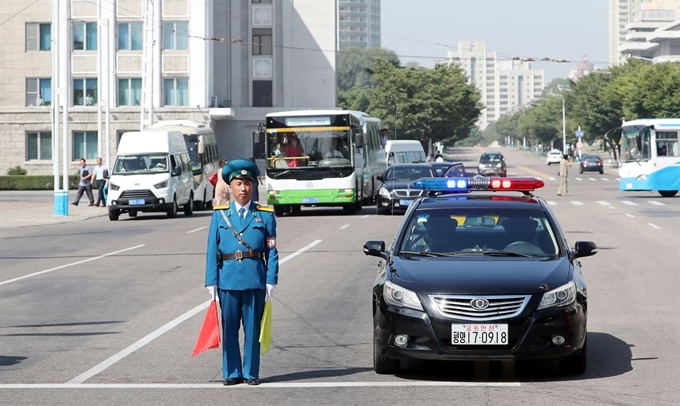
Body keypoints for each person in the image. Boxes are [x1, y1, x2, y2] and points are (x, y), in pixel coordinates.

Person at [205, 159, 279, 386]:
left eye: (247, 183)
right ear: (230, 187)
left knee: (253, 329)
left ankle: (250, 372)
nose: (244, 188)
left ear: (253, 186)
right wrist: (211, 282)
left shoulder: (265, 215)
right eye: (239, 183)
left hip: (255, 279)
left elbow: (272, 250)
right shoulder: (220, 215)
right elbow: (211, 250)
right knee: (229, 329)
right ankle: (232, 372)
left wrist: (271, 279)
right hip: (227, 281)